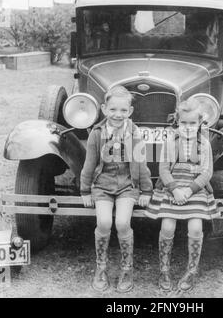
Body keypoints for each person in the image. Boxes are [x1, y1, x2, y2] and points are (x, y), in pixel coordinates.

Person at [80, 85, 153, 293]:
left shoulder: (134, 133)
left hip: (127, 186)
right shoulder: (97, 133)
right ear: (104, 109)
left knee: (122, 222)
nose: (117, 115)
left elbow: (141, 163)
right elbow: (89, 163)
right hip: (102, 185)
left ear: (129, 111)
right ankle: (101, 268)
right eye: (113, 110)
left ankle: (126, 269)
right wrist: (85, 191)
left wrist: (146, 191)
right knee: (103, 222)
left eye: (123, 110)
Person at [145, 97, 218, 292]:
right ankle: (164, 269)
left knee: (195, 228)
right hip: (173, 188)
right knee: (167, 226)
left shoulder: (204, 144)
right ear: (177, 121)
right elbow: (163, 169)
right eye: (183, 123)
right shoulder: (171, 141)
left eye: (192, 123)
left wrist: (189, 190)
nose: (187, 127)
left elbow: (207, 172)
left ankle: (192, 270)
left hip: (195, 190)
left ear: (200, 123)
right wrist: (176, 189)